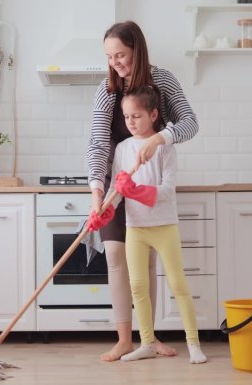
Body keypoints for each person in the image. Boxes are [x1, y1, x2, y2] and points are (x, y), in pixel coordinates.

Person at [86, 20, 199, 362]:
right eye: (109, 56)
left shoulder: (162, 80)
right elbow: (98, 143)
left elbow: (190, 123)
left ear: (138, 48)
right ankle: (124, 339)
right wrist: (97, 194)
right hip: (114, 185)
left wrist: (159, 137)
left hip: (148, 182)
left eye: (120, 54)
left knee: (146, 262)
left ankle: (148, 340)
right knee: (117, 259)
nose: (115, 62)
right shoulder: (107, 90)